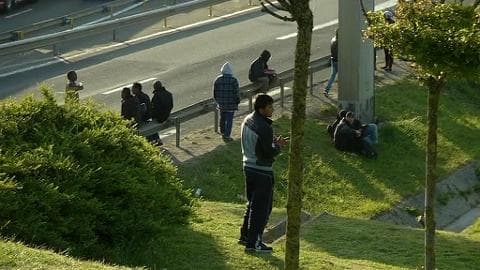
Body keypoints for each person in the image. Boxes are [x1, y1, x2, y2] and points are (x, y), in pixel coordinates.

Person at [239, 94, 288, 253]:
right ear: (261, 109)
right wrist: (278, 147)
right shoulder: (265, 128)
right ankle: (254, 243)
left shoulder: (247, 120)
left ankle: (245, 236)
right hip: (262, 171)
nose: (272, 109)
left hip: (248, 166)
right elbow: (267, 153)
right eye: (270, 107)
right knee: (262, 208)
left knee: (252, 204)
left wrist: (272, 143)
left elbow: (259, 146)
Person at [213, 62, 240, 142]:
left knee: (222, 118)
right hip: (231, 104)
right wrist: (237, 101)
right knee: (229, 120)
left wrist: (217, 100)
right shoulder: (234, 80)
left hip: (221, 103)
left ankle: (222, 131)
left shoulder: (218, 80)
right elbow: (236, 93)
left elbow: (214, 92)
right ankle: (227, 135)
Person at [150, 80, 174, 145]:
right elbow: (171, 105)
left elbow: (154, 108)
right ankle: (157, 139)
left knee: (150, 125)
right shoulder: (168, 94)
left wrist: (152, 114)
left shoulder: (156, 96)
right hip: (167, 115)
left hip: (159, 117)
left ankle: (155, 140)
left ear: (155, 87)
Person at [324, 28, 339, 96]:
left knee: (332, 76)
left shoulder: (333, 40)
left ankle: (326, 90)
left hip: (333, 60)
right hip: (339, 61)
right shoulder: (340, 41)